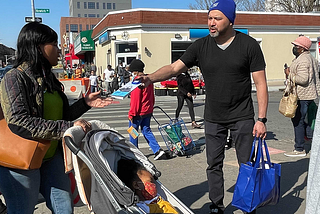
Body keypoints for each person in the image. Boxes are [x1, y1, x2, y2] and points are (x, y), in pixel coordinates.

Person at [137, 1, 268, 213]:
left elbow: (261, 84)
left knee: (247, 165)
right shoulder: (201, 46)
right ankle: (216, 205)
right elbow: (173, 68)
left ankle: (248, 205)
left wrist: (261, 120)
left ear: (231, 20)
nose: (211, 23)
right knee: (213, 165)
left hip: (242, 116)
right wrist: (150, 78)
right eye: (209, 18)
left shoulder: (249, 45)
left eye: (217, 18)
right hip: (214, 117)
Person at [0, 22, 113, 214]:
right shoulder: (14, 77)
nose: (59, 50)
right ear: (38, 47)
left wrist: (85, 104)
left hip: (51, 157)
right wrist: (68, 127)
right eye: (54, 44)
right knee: (21, 210)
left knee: (64, 209)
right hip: (21, 161)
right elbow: (19, 121)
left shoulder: (48, 78)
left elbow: (61, 116)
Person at [284, 36, 320, 157]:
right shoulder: (310, 58)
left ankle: (299, 148)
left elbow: (303, 79)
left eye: (296, 46)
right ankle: (309, 139)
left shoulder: (303, 60)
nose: (294, 48)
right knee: (307, 120)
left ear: (303, 48)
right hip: (309, 94)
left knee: (298, 120)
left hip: (302, 95)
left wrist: (289, 74)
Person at [128, 59, 165, 161]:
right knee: (146, 130)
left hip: (138, 112)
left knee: (133, 132)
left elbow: (136, 100)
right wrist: (151, 107)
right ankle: (157, 150)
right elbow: (151, 96)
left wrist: (131, 113)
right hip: (147, 110)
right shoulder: (148, 79)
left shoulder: (136, 81)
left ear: (135, 70)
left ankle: (135, 153)